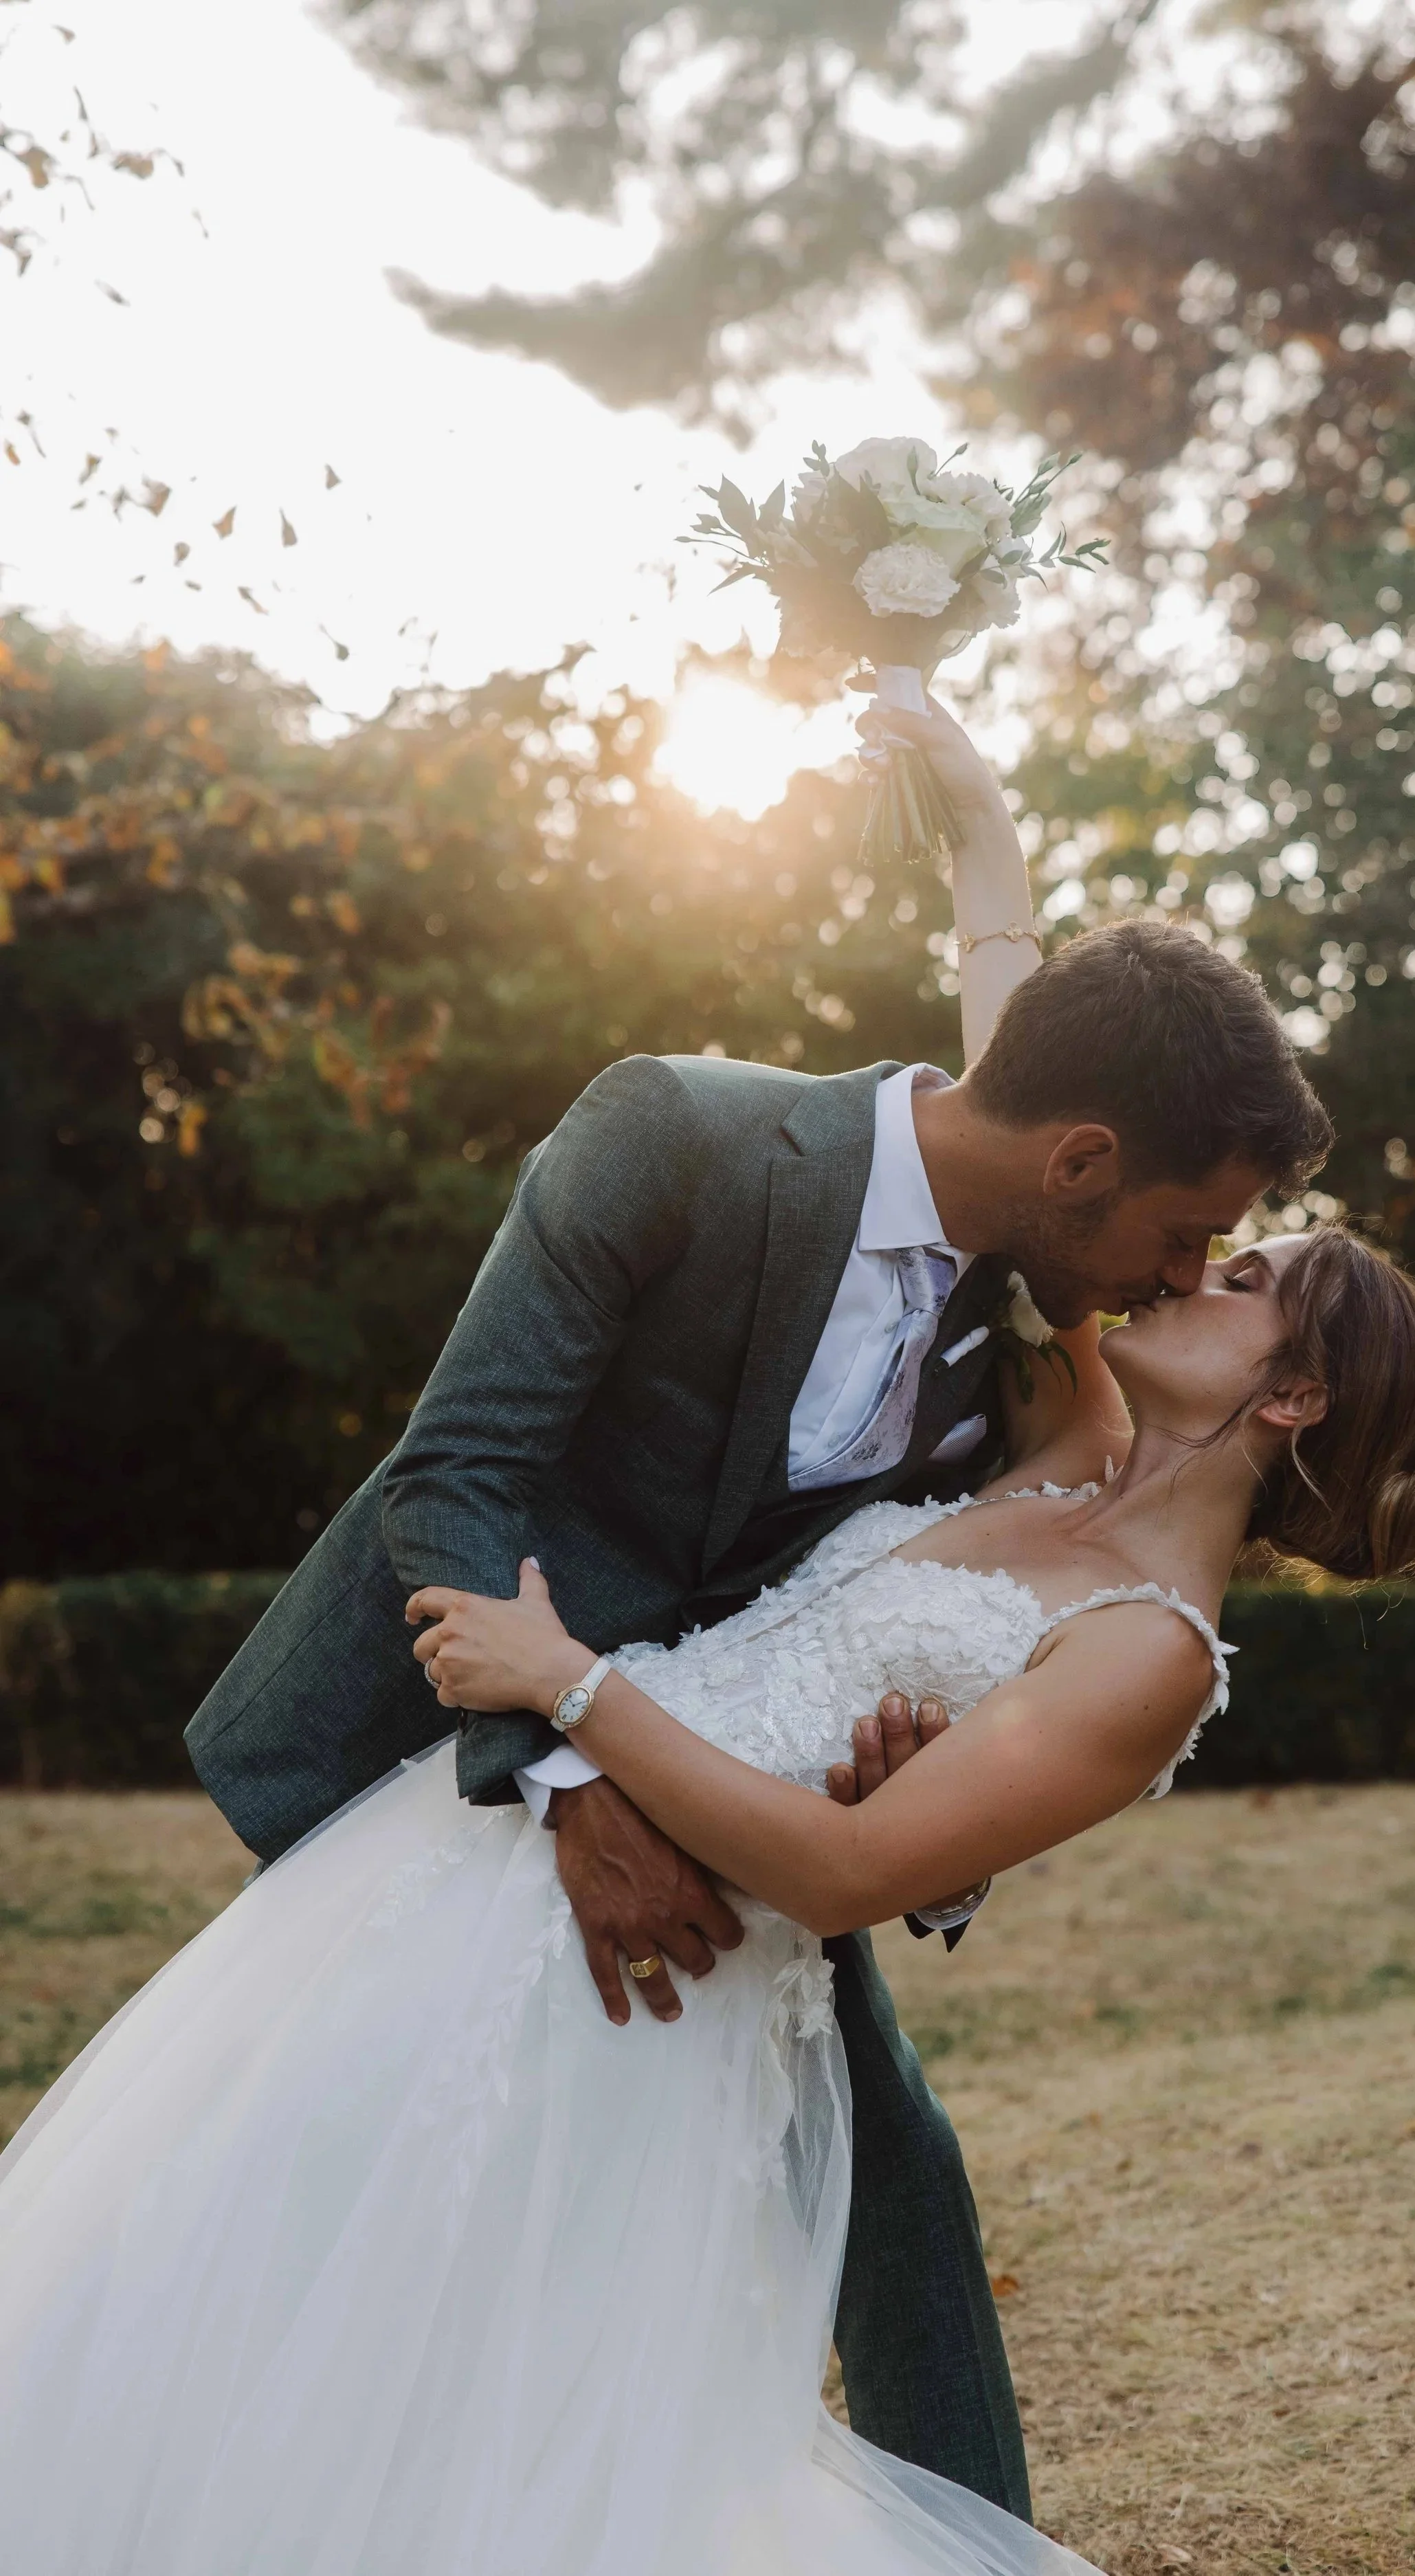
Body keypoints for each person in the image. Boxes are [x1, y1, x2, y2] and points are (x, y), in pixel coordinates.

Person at [175, 691, 1335, 2524]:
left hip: (745, 1820)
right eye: (1186, 1235)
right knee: (358, 2194)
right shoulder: (677, 1136)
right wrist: (570, 1773)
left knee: (891, 2184)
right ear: (1082, 1168)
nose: (1181, 1276)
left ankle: (963, 2544)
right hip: (475, 1741)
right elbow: (454, 1478)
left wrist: (924, 1821)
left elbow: (988, 1658)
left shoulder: (1032, 1324)